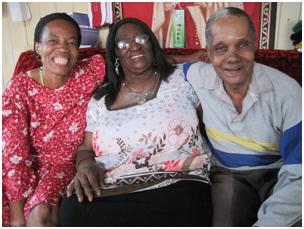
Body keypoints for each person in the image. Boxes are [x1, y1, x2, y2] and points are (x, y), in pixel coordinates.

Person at [59, 18, 212, 226]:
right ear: (115, 54)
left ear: (151, 43)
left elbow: (217, 117)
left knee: (184, 206)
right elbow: (86, 148)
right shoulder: (100, 100)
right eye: (123, 43)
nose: (134, 46)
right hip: (111, 184)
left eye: (141, 38)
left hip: (178, 180)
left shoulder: (183, 78)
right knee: (73, 207)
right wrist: (84, 165)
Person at [183, 7, 302, 226]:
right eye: (220, 48)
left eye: (242, 44)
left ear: (254, 45)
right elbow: (167, 66)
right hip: (228, 174)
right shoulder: (198, 75)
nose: (232, 57)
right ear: (208, 52)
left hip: (278, 172)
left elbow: (299, 172)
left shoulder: (289, 93)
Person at [2, 13, 105, 226]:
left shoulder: (91, 70)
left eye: (71, 42)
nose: (63, 49)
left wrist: (190, 60)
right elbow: (14, 154)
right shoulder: (19, 87)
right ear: (38, 47)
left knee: (40, 214)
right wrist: (17, 215)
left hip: (66, 164)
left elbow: (137, 61)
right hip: (22, 167)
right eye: (53, 41)